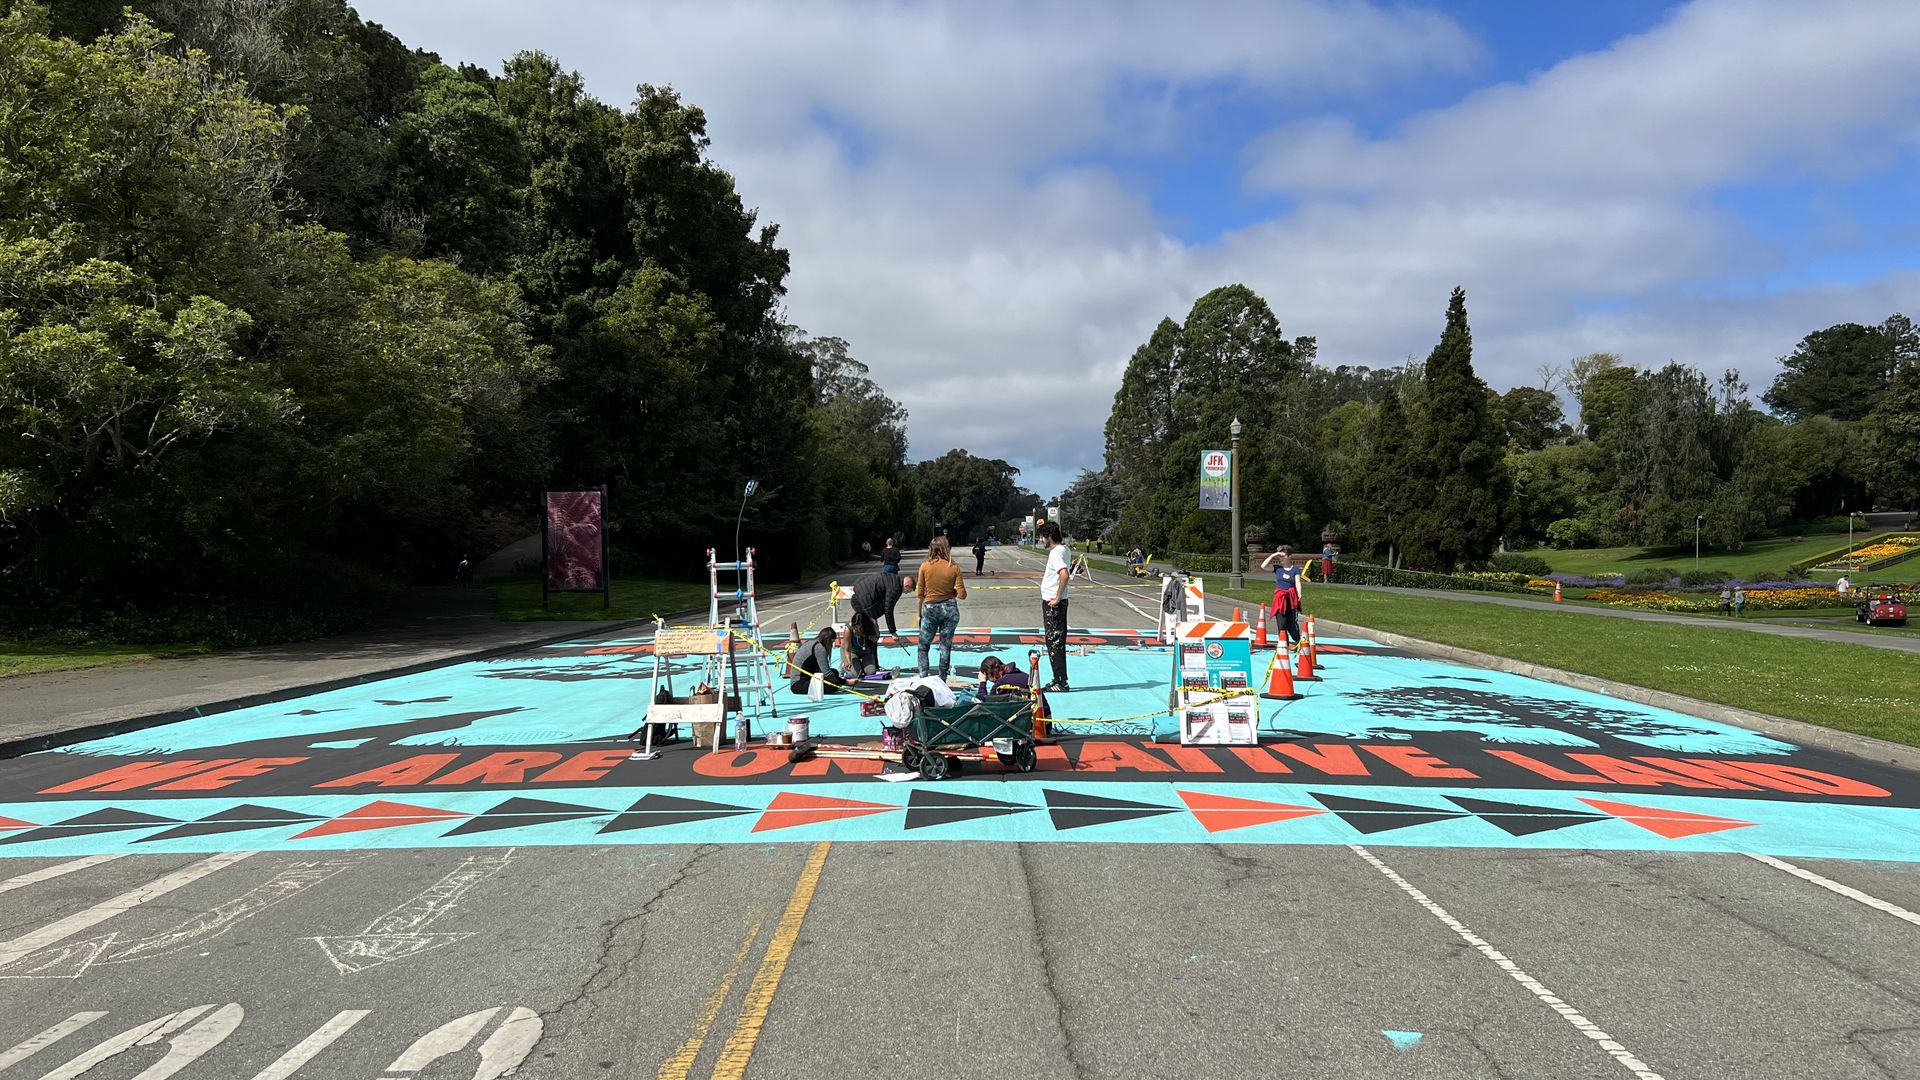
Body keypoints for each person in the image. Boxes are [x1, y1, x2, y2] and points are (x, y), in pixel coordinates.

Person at [915, 536, 967, 680]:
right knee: (945, 646)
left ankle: (923, 676)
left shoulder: (925, 566)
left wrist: (918, 614)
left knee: (923, 645)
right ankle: (942, 678)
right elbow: (962, 595)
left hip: (930, 609)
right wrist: (952, 592)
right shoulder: (953, 567)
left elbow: (920, 593)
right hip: (949, 609)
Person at [1039, 523, 1071, 691]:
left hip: (1054, 603)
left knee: (1054, 642)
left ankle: (1060, 681)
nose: (1041, 540)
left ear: (1049, 537)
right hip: (1058, 601)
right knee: (1056, 641)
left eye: (1042, 537)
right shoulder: (1064, 549)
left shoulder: (1055, 553)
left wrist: (1057, 597)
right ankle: (1059, 678)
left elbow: (1064, 574)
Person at [850, 568, 913, 648]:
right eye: (908, 591)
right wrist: (893, 632)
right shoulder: (895, 588)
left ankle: (865, 646)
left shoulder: (894, 579)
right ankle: (865, 650)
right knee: (872, 635)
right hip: (862, 603)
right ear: (907, 586)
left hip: (861, 598)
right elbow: (888, 610)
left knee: (871, 631)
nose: (906, 593)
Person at [1259, 546, 1305, 646]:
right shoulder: (1277, 568)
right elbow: (1263, 566)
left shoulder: (1295, 569)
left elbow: (1297, 582)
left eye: (1283, 556)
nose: (1281, 559)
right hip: (1280, 599)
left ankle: (1297, 641)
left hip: (1291, 599)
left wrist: (1299, 593)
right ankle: (1284, 644)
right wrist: (1273, 555)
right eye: (1280, 556)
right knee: (1281, 623)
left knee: (1291, 624)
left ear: (1289, 556)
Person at [788, 626, 846, 695]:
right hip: (799, 684)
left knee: (834, 672)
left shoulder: (813, 642)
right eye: (832, 642)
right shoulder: (820, 648)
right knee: (833, 684)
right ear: (827, 640)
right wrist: (845, 682)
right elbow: (826, 673)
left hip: (807, 678)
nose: (831, 645)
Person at [843, 612, 882, 678]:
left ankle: (861, 665)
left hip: (866, 651)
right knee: (856, 675)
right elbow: (847, 649)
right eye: (855, 629)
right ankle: (843, 664)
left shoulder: (872, 624)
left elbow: (876, 638)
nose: (858, 632)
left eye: (861, 630)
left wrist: (873, 638)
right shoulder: (848, 629)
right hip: (851, 651)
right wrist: (849, 661)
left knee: (871, 672)